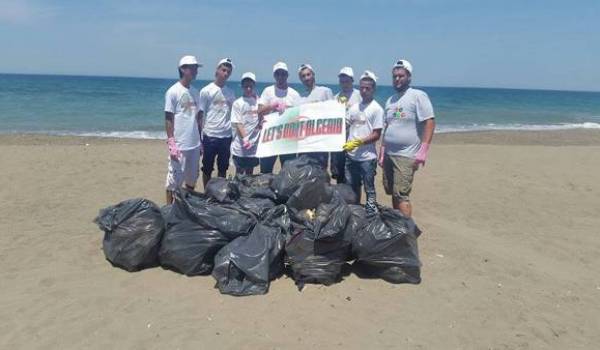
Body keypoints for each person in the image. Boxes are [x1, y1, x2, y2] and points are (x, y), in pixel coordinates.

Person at [380, 59, 436, 218]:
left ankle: (407, 233)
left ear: (409, 77)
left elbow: (430, 122)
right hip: (389, 154)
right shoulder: (390, 100)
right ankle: (398, 226)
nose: (397, 79)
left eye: (401, 76)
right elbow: (387, 127)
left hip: (406, 155)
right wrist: (382, 152)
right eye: (395, 76)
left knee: (401, 194)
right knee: (392, 192)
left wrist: (423, 151)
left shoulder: (417, 96)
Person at [342, 70, 384, 214]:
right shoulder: (354, 107)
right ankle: (355, 212)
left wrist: (357, 142)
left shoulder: (377, 109)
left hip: (367, 158)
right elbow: (345, 125)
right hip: (351, 156)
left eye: (368, 88)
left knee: (369, 189)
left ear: (373, 89)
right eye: (362, 88)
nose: (364, 91)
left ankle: (371, 214)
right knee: (352, 187)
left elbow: (376, 134)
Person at [164, 55, 203, 204]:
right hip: (179, 145)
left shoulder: (195, 92)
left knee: (192, 179)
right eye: (193, 68)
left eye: (196, 68)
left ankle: (187, 208)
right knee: (173, 182)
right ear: (183, 69)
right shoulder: (173, 92)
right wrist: (171, 142)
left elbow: (198, 118)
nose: (195, 71)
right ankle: (169, 210)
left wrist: (201, 140)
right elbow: (168, 118)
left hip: (194, 144)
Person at [257, 61, 301, 173]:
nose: (280, 76)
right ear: (274, 75)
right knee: (265, 171)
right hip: (270, 137)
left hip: (288, 138)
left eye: (283, 74)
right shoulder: (267, 91)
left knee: (288, 172)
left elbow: (300, 117)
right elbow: (259, 111)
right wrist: (271, 106)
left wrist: (289, 109)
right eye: (278, 74)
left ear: (287, 75)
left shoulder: (294, 94)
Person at [198, 58, 236, 187]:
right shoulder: (206, 91)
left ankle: (219, 193)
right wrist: (199, 137)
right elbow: (200, 115)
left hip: (226, 136)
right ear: (217, 70)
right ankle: (207, 194)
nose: (226, 73)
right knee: (207, 167)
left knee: (223, 168)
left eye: (228, 71)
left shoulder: (230, 93)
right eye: (223, 70)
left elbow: (235, 114)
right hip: (210, 135)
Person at [297, 63, 334, 169]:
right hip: (304, 144)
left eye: (308, 74)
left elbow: (334, 115)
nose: (306, 78)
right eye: (303, 76)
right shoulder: (300, 98)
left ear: (313, 75)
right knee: (304, 173)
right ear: (301, 79)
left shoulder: (325, 91)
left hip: (320, 143)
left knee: (320, 173)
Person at [332, 66, 362, 183]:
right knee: (339, 171)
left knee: (354, 173)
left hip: (355, 138)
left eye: (346, 80)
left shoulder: (359, 95)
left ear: (352, 80)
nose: (344, 83)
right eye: (342, 80)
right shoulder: (336, 97)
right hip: (339, 139)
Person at [230, 72, 260, 175]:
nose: (248, 89)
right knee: (239, 174)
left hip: (254, 147)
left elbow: (263, 116)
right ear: (242, 86)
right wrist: (245, 139)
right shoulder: (238, 103)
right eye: (246, 86)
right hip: (240, 147)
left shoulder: (258, 102)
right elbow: (238, 123)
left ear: (254, 86)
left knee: (250, 174)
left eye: (250, 86)